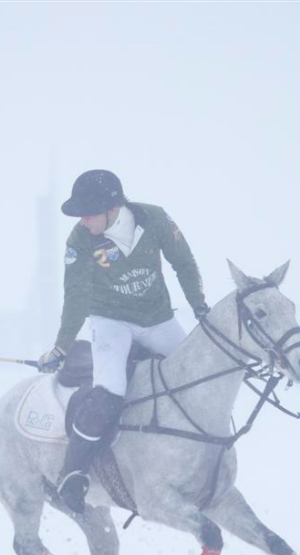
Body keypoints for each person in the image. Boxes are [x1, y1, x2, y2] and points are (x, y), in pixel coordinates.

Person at [38, 169, 208, 513]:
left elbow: (184, 264)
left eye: (88, 214)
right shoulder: (79, 241)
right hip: (110, 322)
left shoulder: (155, 218)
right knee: (110, 389)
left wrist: (199, 306)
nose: (83, 222)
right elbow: (76, 296)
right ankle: (73, 474)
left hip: (158, 319)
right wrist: (61, 346)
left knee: (197, 377)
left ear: (111, 208)